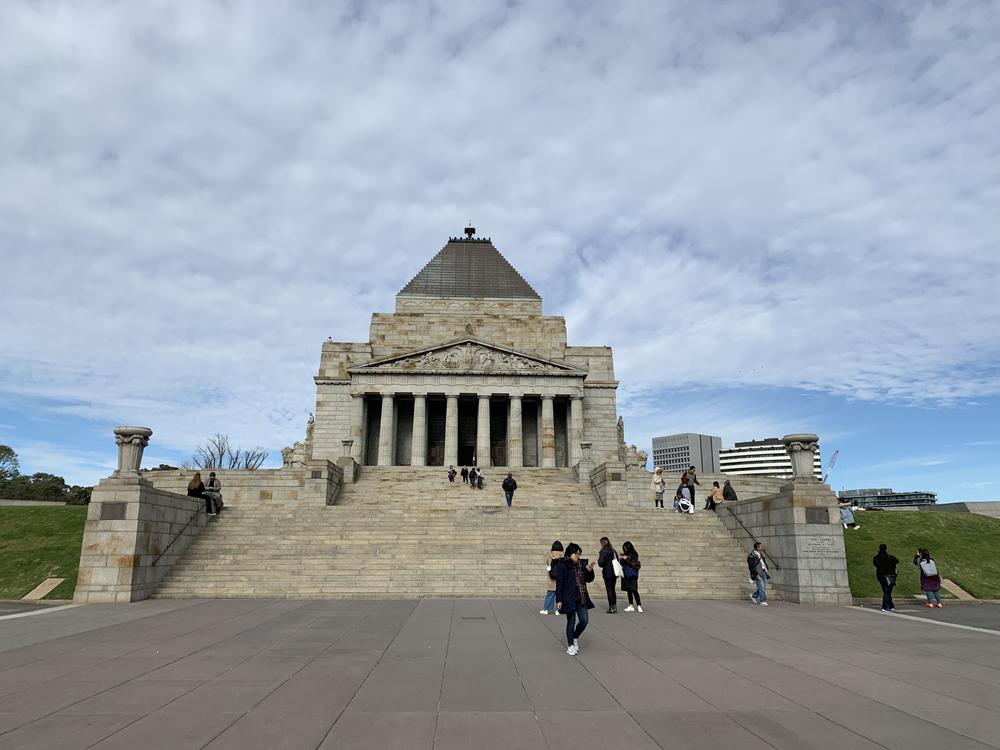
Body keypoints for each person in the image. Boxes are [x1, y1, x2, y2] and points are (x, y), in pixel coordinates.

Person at [554, 542, 595, 655]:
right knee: (571, 622)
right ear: (570, 554)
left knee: (584, 621)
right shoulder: (563, 565)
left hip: (581, 597)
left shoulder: (582, 564)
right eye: (576, 554)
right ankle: (570, 645)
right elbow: (560, 584)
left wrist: (590, 571)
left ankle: (575, 637)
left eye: (579, 554)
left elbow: (588, 579)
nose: (578, 556)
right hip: (569, 598)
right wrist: (559, 600)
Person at [873, 544, 899, 612]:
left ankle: (890, 605)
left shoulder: (876, 558)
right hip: (889, 576)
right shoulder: (889, 557)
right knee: (887, 592)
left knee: (886, 591)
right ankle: (885, 606)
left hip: (880, 576)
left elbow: (875, 564)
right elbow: (896, 561)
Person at [597, 537, 620, 613]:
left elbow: (601, 563)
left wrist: (599, 561)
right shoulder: (613, 550)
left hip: (607, 573)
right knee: (613, 590)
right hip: (614, 572)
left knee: (609, 590)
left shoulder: (603, 551)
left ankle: (611, 607)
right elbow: (618, 560)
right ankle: (615, 607)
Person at [541, 540, 564, 614]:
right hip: (561, 577)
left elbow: (547, 563)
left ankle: (547, 609)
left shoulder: (549, 554)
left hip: (551, 577)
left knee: (550, 594)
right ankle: (558, 610)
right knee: (560, 594)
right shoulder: (563, 555)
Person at [619, 541, 643, 612]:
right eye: (624, 548)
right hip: (626, 574)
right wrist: (621, 558)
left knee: (634, 590)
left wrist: (626, 558)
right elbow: (622, 564)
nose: (625, 549)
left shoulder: (634, 554)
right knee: (628, 590)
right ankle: (631, 605)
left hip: (632, 574)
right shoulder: (625, 554)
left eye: (626, 548)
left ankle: (639, 605)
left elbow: (634, 563)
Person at [748, 541, 769, 605]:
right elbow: (751, 567)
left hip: (764, 572)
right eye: (761, 546)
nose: (762, 547)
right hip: (758, 573)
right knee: (761, 587)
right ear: (757, 548)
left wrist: (766, 569)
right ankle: (763, 601)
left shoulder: (761, 554)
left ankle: (754, 595)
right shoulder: (752, 556)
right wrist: (756, 574)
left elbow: (762, 563)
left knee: (763, 587)